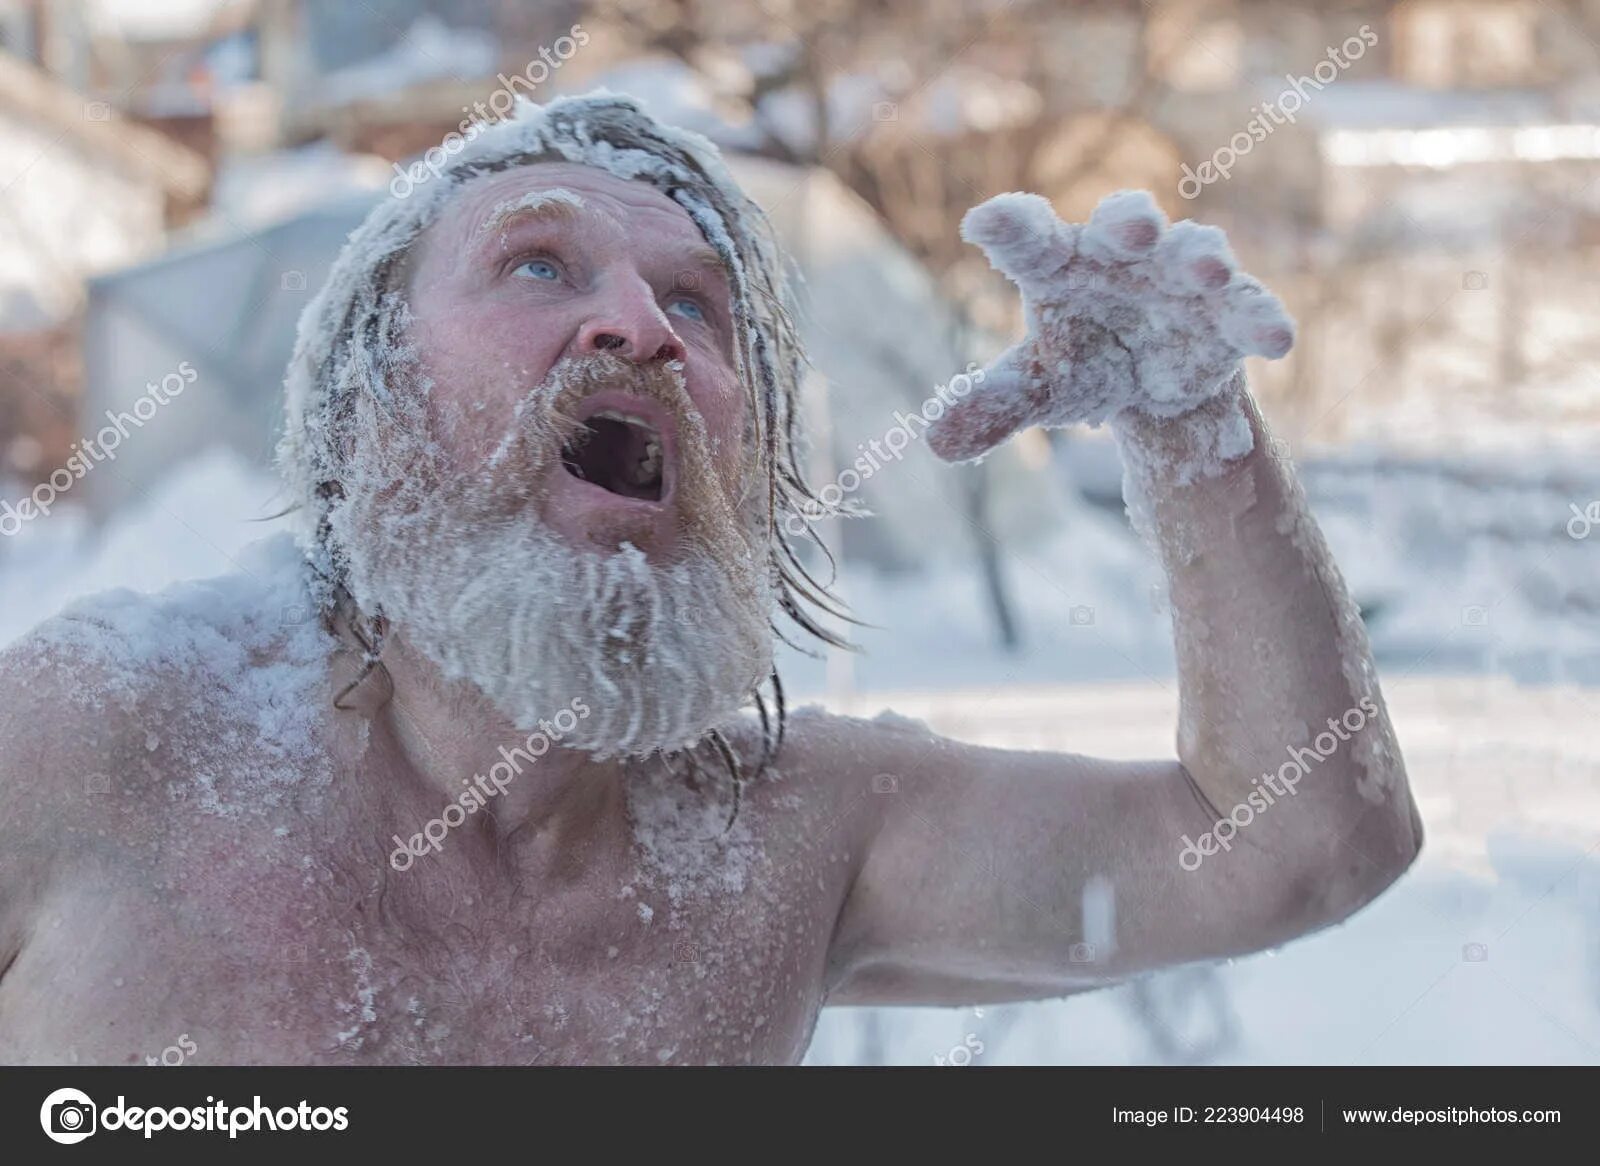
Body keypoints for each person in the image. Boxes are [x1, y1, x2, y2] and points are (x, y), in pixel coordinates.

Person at [0, 94, 1421, 1065]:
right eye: (540, 261)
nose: (640, 326)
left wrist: (1191, 425)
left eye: (698, 304)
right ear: (367, 414)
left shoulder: (792, 844)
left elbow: (1297, 843)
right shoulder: (105, 748)